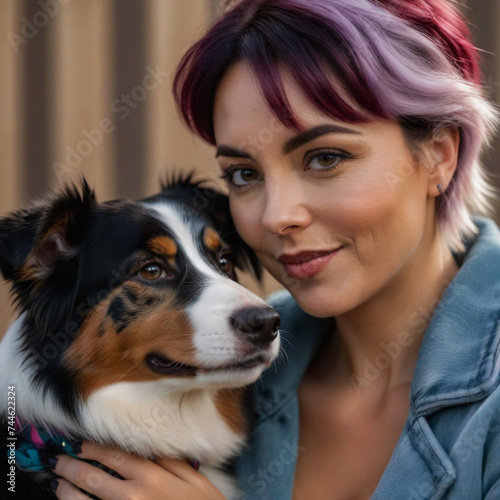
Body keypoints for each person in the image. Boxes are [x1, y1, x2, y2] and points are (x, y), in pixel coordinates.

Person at [51, 0, 500, 498]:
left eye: (325, 158)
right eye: (244, 174)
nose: (275, 216)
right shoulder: (206, 373)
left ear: (438, 155)